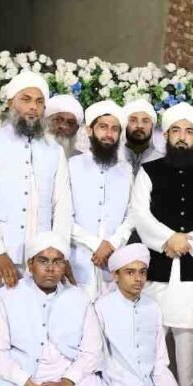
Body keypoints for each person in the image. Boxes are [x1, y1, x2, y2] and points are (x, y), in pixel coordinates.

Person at [0, 71, 74, 386]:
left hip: (39, 261)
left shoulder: (53, 150)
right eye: (26, 99)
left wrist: (60, 254)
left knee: (27, 332)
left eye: (39, 101)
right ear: (10, 102)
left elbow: (63, 204)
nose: (33, 107)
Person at [130, 102, 193, 386]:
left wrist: (188, 243)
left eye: (188, 131)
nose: (182, 137)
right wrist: (167, 239)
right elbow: (140, 213)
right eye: (176, 131)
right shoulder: (148, 171)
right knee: (151, 341)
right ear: (166, 136)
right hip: (156, 271)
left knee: (188, 346)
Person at [0, 232, 112, 386]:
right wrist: (29, 385)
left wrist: (65, 384)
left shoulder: (79, 298)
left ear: (64, 266)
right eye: (43, 261)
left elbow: (91, 351)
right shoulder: (8, 296)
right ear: (30, 264)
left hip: (67, 376)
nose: (50, 268)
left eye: (57, 262)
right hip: (21, 376)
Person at [94, 244, 193, 386]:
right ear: (115, 275)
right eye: (130, 272)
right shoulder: (101, 307)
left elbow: (160, 360)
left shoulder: (153, 307)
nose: (138, 278)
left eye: (142, 272)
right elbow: (103, 361)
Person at [68, 99, 134, 299]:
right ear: (90, 130)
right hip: (78, 259)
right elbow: (62, 214)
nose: (109, 134)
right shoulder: (72, 165)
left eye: (115, 129)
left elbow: (133, 213)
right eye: (103, 127)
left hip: (114, 260)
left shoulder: (126, 170)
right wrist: (96, 244)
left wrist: (112, 243)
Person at [122, 99, 162, 175]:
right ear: (124, 124)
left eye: (145, 121)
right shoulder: (113, 158)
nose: (139, 125)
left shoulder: (160, 160)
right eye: (133, 120)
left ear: (152, 126)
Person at [45, 93, 84, 159]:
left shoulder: (81, 160)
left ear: (76, 129)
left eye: (70, 123)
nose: (63, 126)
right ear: (46, 121)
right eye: (57, 120)